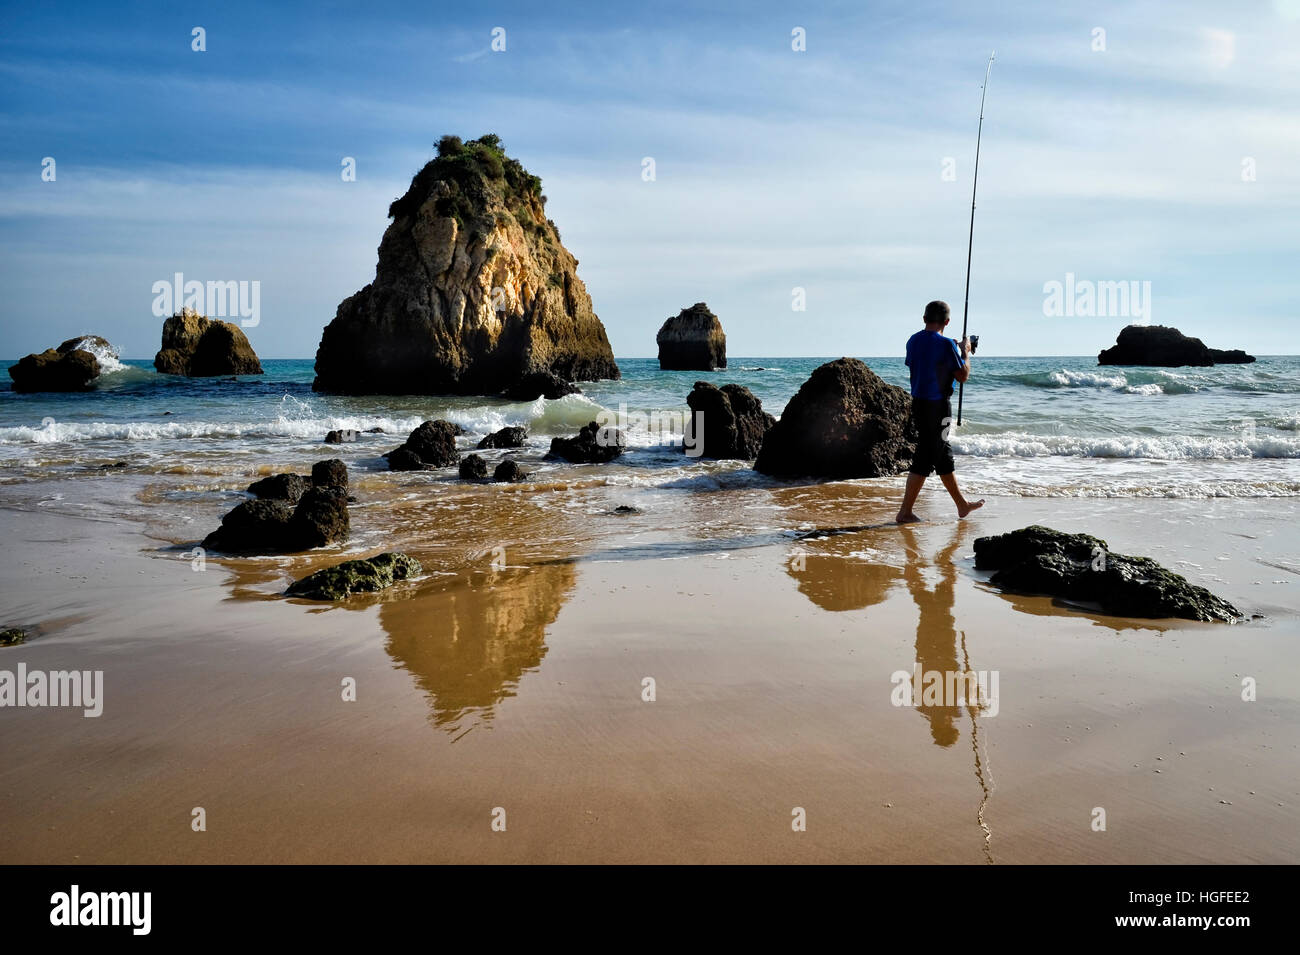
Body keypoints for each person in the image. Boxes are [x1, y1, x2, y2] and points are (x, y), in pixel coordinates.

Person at [895, 300, 985, 523]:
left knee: (935, 455)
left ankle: (960, 505)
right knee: (934, 454)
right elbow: (962, 375)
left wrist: (951, 349)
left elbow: (924, 362)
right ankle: (906, 512)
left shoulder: (912, 341)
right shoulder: (946, 345)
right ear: (947, 321)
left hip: (919, 404)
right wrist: (964, 352)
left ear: (924, 318)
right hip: (939, 405)